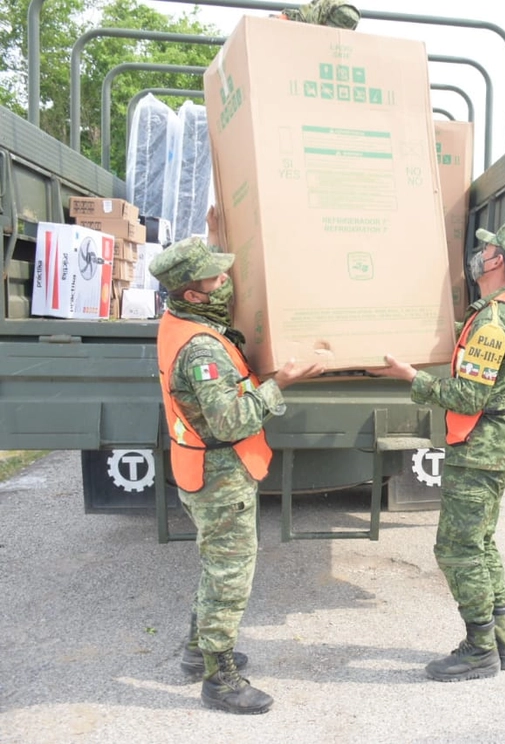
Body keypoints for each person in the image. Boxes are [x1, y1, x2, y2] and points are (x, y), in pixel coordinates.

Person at [150, 233, 324, 714]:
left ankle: (195, 652)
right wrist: (278, 385)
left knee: (214, 567)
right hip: (220, 475)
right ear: (192, 293)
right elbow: (230, 420)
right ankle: (219, 679)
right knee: (229, 577)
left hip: (200, 465)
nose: (225, 280)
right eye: (214, 277)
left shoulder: (178, 320)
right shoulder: (202, 349)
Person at [371, 220, 505, 682]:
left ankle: (479, 650)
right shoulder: (500, 312)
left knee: (457, 550)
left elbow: (469, 397)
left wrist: (413, 379)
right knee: (482, 545)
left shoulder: (493, 323)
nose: (480, 255)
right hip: (496, 450)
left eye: (486, 250)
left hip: (480, 454)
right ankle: (502, 645)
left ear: (497, 263)